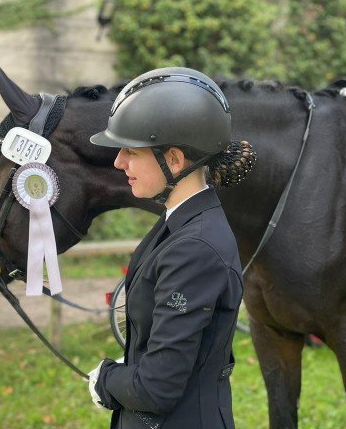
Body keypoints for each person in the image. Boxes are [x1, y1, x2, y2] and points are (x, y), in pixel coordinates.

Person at [88, 67, 256, 429]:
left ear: (175, 160)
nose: (119, 162)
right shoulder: (178, 222)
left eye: (131, 151)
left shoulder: (194, 247)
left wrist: (106, 379)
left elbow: (157, 389)